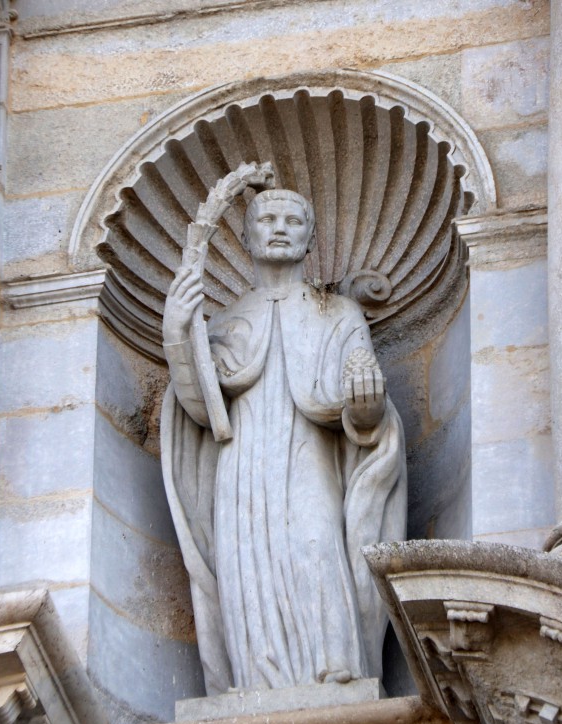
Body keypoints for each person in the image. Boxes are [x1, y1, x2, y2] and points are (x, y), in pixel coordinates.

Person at [161, 189, 407, 695]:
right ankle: (257, 683)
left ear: (311, 237)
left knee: (316, 542)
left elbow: (364, 403)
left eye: (293, 220)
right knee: (244, 561)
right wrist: (176, 333)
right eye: (266, 218)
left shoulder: (338, 314)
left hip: (310, 457)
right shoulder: (226, 321)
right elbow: (198, 407)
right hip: (241, 465)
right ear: (246, 236)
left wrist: (366, 406)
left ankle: (336, 666)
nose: (279, 227)